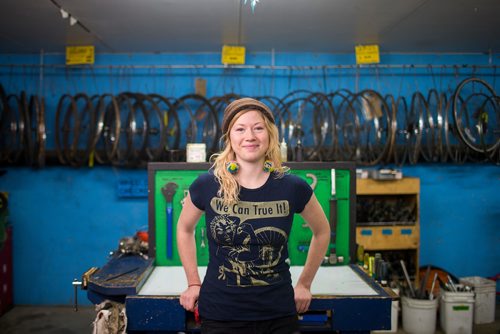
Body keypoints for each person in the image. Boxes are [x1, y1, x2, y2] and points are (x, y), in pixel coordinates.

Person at [177, 97, 330, 334]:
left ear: (269, 135)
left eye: (258, 128)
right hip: (221, 313)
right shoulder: (207, 185)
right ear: (230, 138)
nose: (250, 136)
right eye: (240, 129)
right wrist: (193, 282)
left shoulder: (293, 187)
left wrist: (305, 284)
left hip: (278, 312)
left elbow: (322, 232)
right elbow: (184, 229)